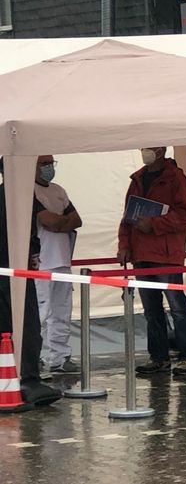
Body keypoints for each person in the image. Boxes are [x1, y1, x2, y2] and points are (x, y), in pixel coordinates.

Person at [117, 147, 186, 375]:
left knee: (177, 306)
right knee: (152, 310)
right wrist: (124, 245)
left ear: (161, 150)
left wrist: (155, 224)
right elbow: (127, 217)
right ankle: (159, 356)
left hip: (166, 255)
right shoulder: (137, 178)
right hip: (141, 255)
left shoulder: (175, 178)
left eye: (149, 148)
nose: (145, 151)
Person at [0, 158, 61, 406]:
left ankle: (25, 375)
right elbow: (49, 220)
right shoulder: (15, 195)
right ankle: (25, 376)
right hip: (13, 270)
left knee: (24, 325)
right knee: (23, 324)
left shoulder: (22, 195)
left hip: (20, 267)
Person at [33, 155, 82, 375]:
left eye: (51, 162)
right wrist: (62, 221)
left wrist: (60, 221)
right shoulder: (28, 190)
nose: (49, 167)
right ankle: (33, 356)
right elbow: (48, 221)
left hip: (62, 259)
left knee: (62, 311)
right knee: (41, 312)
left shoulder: (58, 190)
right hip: (41, 262)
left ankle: (60, 358)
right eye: (44, 163)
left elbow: (77, 220)